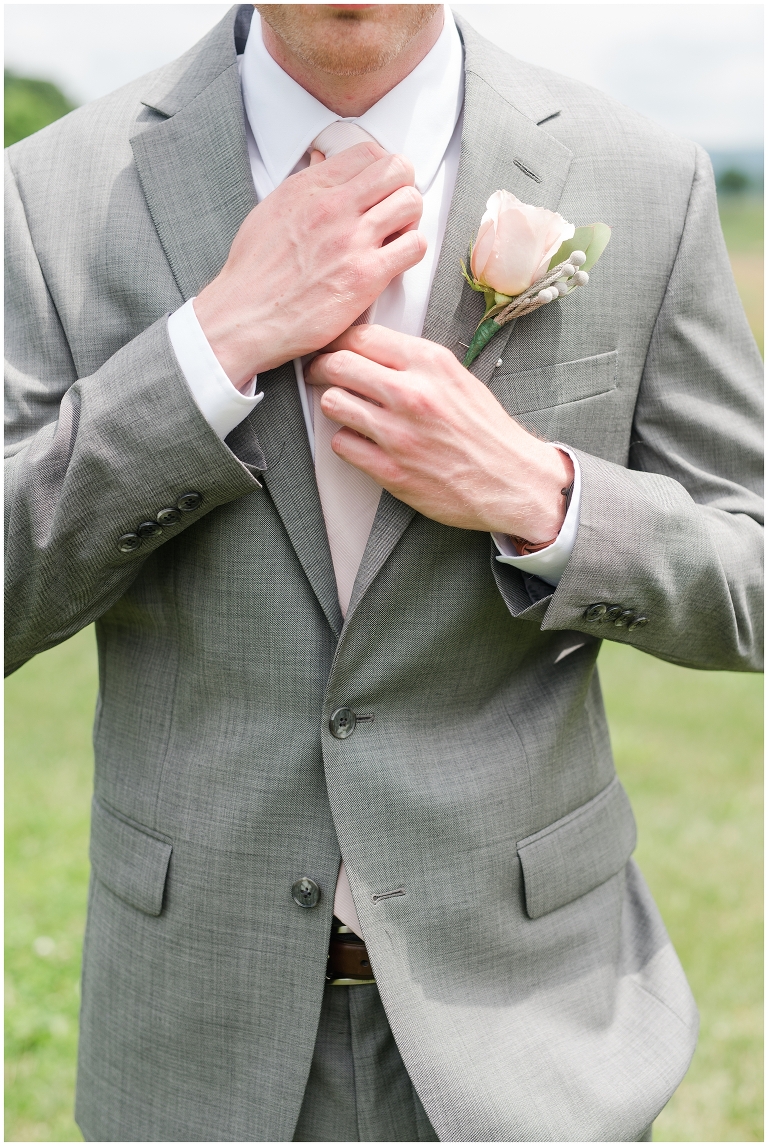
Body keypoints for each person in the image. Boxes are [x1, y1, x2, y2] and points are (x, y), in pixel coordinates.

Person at [4, 3, 762, 1141]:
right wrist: (205, 353)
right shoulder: (46, 190)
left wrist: (538, 494)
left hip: (536, 1037)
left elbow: (750, 576)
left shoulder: (645, 177)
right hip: (195, 1038)